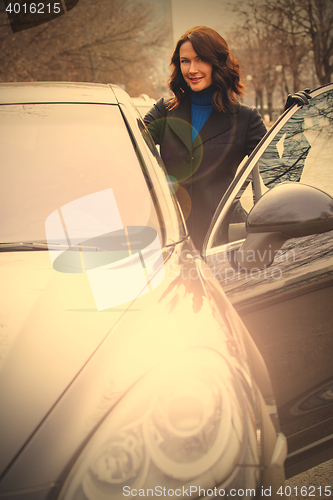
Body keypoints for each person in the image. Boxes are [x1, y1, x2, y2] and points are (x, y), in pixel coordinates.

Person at [144, 26, 310, 250]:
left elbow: (280, 176)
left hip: (222, 239)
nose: (192, 69)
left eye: (200, 59)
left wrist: (293, 127)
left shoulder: (246, 118)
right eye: (185, 61)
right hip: (172, 236)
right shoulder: (163, 110)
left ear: (218, 62)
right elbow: (129, 148)